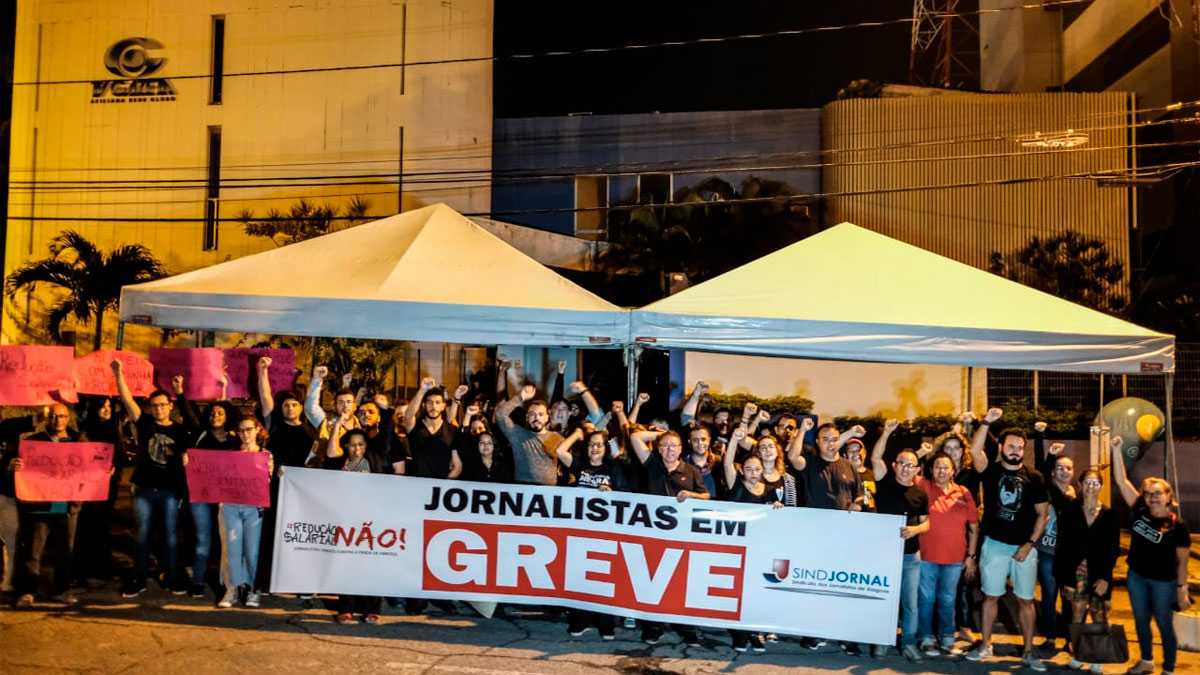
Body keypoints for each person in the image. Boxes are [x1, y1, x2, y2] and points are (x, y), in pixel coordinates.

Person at [964, 407, 1050, 672]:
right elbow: (975, 451)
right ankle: (985, 645)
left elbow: (1043, 515)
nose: (1015, 450)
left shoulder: (1034, 477)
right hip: (995, 545)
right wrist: (986, 423)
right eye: (1011, 445)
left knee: (1026, 600)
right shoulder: (990, 471)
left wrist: (1029, 545)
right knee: (990, 597)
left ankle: (1028, 651)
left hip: (1024, 548)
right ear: (1001, 446)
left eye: (1020, 447)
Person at [113, 361, 194, 598]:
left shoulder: (180, 431)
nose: (158, 409)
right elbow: (127, 400)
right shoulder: (145, 423)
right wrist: (119, 374)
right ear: (150, 408)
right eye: (154, 406)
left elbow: (192, 447)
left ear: (170, 407)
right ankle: (139, 578)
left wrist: (186, 457)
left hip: (170, 490)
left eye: (162, 405)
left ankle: (171, 576)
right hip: (145, 489)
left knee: (169, 534)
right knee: (143, 533)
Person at [1111, 435, 1191, 675]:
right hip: (1136, 576)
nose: (1153, 497)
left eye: (1158, 493)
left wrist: (1182, 589)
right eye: (1148, 493)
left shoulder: (1177, 526)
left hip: (1163, 582)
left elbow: (1183, 562)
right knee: (1141, 621)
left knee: (1164, 624)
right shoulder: (1139, 510)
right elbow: (1120, 479)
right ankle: (1146, 660)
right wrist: (1115, 450)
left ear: (1169, 496)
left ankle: (1169, 668)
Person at [785, 420, 863, 652]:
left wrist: (857, 505)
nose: (831, 443)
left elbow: (859, 495)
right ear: (817, 442)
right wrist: (802, 430)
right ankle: (813, 632)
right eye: (825, 439)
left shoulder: (849, 466)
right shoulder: (810, 463)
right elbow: (792, 456)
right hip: (816, 535)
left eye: (834, 438)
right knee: (817, 585)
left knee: (843, 586)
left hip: (845, 537)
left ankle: (846, 634)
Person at [629, 427, 709, 646]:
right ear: (658, 448)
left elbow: (706, 497)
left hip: (683, 536)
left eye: (674, 445)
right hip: (653, 534)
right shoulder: (652, 464)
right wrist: (660, 435)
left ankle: (686, 628)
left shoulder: (691, 470)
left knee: (682, 583)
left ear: (682, 448)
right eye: (664, 446)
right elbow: (635, 437)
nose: (669, 449)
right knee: (652, 581)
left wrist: (691, 495)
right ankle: (653, 627)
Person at [10, 403, 91, 606]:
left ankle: (62, 590)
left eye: (62, 416)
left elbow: (92, 467)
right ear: (48, 418)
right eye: (54, 416)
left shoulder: (78, 441)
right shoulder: (32, 442)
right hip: (40, 504)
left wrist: (106, 470)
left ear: (68, 418)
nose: (58, 420)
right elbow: (13, 467)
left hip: (67, 505)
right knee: (33, 550)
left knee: (65, 550)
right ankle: (28, 592)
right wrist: (13, 466)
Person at [870, 420, 930, 661]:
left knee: (910, 604)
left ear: (917, 469)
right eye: (902, 463)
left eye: (911, 465)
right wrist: (886, 432)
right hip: (884, 555)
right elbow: (875, 458)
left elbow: (928, 523)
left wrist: (916, 530)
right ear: (894, 465)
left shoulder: (920, 493)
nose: (906, 468)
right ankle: (882, 642)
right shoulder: (884, 483)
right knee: (884, 600)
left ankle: (908, 643)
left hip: (910, 556)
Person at [255, 356, 316, 594]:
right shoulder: (275, 427)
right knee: (271, 535)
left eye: (294, 405)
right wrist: (262, 371)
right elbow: (265, 398)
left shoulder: (310, 430)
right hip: (275, 488)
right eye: (286, 405)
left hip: (301, 492)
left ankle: (301, 583)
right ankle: (267, 582)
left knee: (299, 536)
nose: (290, 408)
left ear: (301, 408)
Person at [173, 375, 237, 599]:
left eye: (220, 412)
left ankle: (227, 583)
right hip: (201, 496)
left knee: (228, 541)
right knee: (203, 538)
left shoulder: (235, 440)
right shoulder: (200, 434)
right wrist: (180, 392)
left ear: (228, 416)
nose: (215, 415)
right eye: (212, 412)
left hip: (226, 499)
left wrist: (224, 387)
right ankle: (198, 581)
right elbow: (188, 411)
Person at [199, 416, 272, 609]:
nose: (245, 434)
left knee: (252, 550)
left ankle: (252, 588)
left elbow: (268, 484)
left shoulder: (266, 455)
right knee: (231, 549)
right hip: (230, 506)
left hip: (254, 508)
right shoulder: (229, 454)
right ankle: (231, 589)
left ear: (258, 430)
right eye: (241, 430)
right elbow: (212, 474)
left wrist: (274, 473)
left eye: (249, 429)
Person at [555, 427, 620, 640]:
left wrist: (612, 493)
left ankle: (606, 624)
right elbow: (560, 451)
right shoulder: (580, 466)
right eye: (591, 444)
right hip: (580, 533)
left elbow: (628, 497)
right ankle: (579, 620)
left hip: (605, 535)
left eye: (599, 444)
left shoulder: (613, 469)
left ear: (605, 448)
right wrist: (577, 434)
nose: (594, 448)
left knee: (604, 579)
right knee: (579, 578)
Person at [1053, 467, 1119, 674]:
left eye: (1095, 483)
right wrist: (1064, 577)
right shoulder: (1070, 509)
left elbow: (1113, 548)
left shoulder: (1109, 514)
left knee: (1098, 613)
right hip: (1075, 571)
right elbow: (1062, 545)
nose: (1091, 486)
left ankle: (1098, 658)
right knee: (1077, 612)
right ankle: (1079, 654)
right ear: (1080, 486)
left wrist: (1106, 577)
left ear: (1101, 486)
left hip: (1099, 572)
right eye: (1087, 482)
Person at [723, 426, 782, 653]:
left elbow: (773, 517)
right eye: (749, 469)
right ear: (743, 470)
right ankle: (738, 634)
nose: (754, 472)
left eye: (757, 469)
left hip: (759, 550)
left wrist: (777, 507)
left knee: (756, 592)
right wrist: (734, 441)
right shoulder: (735, 484)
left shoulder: (768, 490)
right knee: (737, 593)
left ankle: (754, 632)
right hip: (736, 547)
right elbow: (728, 463)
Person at [913, 451, 979, 657]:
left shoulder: (963, 492)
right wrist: (920, 453)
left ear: (953, 470)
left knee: (948, 599)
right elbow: (906, 467)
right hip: (927, 556)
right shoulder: (923, 486)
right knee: (926, 598)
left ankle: (947, 638)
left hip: (955, 558)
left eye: (946, 467)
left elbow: (974, 527)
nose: (941, 470)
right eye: (937, 467)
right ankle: (925, 637)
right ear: (931, 470)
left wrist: (971, 556)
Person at [324, 426, 384, 623]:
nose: (356, 448)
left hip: (371, 521)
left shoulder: (375, 461)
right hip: (345, 520)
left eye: (360, 444)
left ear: (366, 446)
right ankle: (346, 608)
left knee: (371, 565)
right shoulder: (339, 464)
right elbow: (328, 455)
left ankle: (372, 609)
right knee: (345, 563)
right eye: (352, 445)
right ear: (346, 446)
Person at [1033, 423, 1076, 655]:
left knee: (1069, 599)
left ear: (1073, 471)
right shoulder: (1047, 491)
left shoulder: (1077, 495)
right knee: (1049, 597)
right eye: (1059, 468)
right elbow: (1041, 470)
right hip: (1047, 553)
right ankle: (1049, 638)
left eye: (1068, 468)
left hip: (1068, 556)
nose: (1063, 471)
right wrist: (1041, 437)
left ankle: (1070, 639)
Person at [494, 372, 567, 486]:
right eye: (532, 414)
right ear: (527, 418)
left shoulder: (558, 438)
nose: (536, 417)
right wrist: (520, 397)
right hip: (522, 491)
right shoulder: (517, 434)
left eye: (540, 414)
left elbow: (569, 466)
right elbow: (499, 415)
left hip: (549, 494)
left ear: (547, 417)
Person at [0, 407, 37, 596]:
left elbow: (40, 418)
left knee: (10, 540)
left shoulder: (9, 426)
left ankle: (8, 582)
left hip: (5, 494)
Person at [402, 378, 462, 480]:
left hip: (440, 490)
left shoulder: (452, 431)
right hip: (416, 486)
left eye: (437, 402)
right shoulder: (415, 427)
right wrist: (422, 390)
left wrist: (443, 486)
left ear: (443, 406)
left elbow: (457, 466)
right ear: (424, 405)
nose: (433, 406)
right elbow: (408, 416)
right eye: (429, 402)